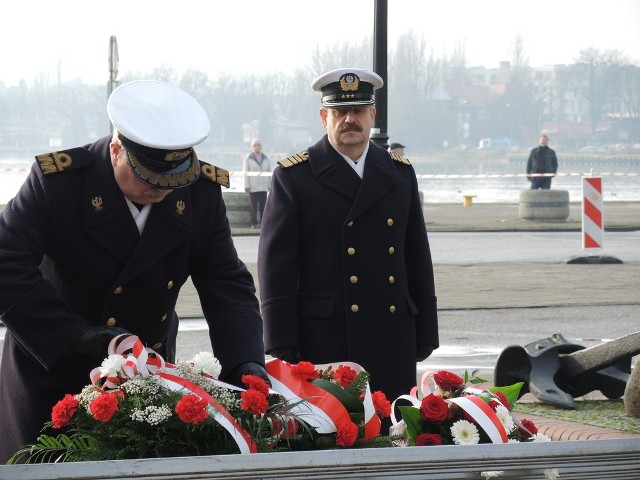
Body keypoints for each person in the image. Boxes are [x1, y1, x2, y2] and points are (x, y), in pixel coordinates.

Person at [0, 80, 269, 462]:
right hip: (54, 374)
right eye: (148, 180)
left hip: (148, 384)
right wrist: (77, 336)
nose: (161, 193)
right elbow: (6, 262)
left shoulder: (200, 194)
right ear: (115, 150)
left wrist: (246, 362)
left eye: (171, 183)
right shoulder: (58, 183)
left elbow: (227, 282)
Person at [257, 68, 439, 428]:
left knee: (393, 431)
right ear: (324, 117)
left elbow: (417, 255)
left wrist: (426, 328)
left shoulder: (399, 173)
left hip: (391, 333)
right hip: (325, 337)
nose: (349, 119)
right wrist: (280, 338)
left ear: (373, 115)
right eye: (340, 112)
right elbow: (275, 268)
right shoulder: (295, 177)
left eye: (358, 110)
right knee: (332, 433)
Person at [242, 138, 271, 228]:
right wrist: (247, 186)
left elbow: (269, 172)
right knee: (253, 206)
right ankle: (253, 222)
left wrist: (270, 185)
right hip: (253, 186)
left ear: (261, 147)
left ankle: (263, 223)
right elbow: (245, 172)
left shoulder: (266, 158)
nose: (256, 147)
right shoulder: (247, 158)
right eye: (254, 145)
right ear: (252, 147)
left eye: (258, 145)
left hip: (263, 186)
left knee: (264, 206)